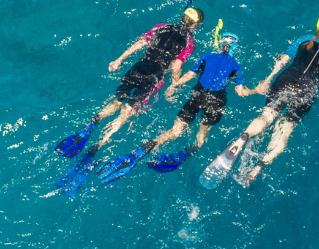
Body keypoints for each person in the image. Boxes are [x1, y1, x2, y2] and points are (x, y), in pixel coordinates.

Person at [98, 32, 256, 182]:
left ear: (220, 44)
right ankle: (190, 150)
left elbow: (189, 75)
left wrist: (174, 85)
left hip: (196, 97)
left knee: (175, 131)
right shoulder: (236, 66)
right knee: (202, 136)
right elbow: (240, 92)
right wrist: (256, 90)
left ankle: (147, 147)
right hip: (216, 101)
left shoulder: (206, 56)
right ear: (234, 48)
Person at [55, 7, 203, 161]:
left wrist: (119, 59)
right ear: (194, 25)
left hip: (138, 68)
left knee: (119, 98)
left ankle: (93, 123)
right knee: (129, 108)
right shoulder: (189, 43)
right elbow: (176, 66)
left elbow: (140, 43)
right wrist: (174, 85)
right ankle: (100, 143)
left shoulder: (161, 27)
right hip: (154, 77)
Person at [232, 16, 319, 185]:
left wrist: (269, 78)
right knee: (287, 127)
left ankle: (245, 135)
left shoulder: (305, 39)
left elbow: (283, 60)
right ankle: (260, 166)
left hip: (286, 80)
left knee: (267, 117)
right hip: (307, 90)